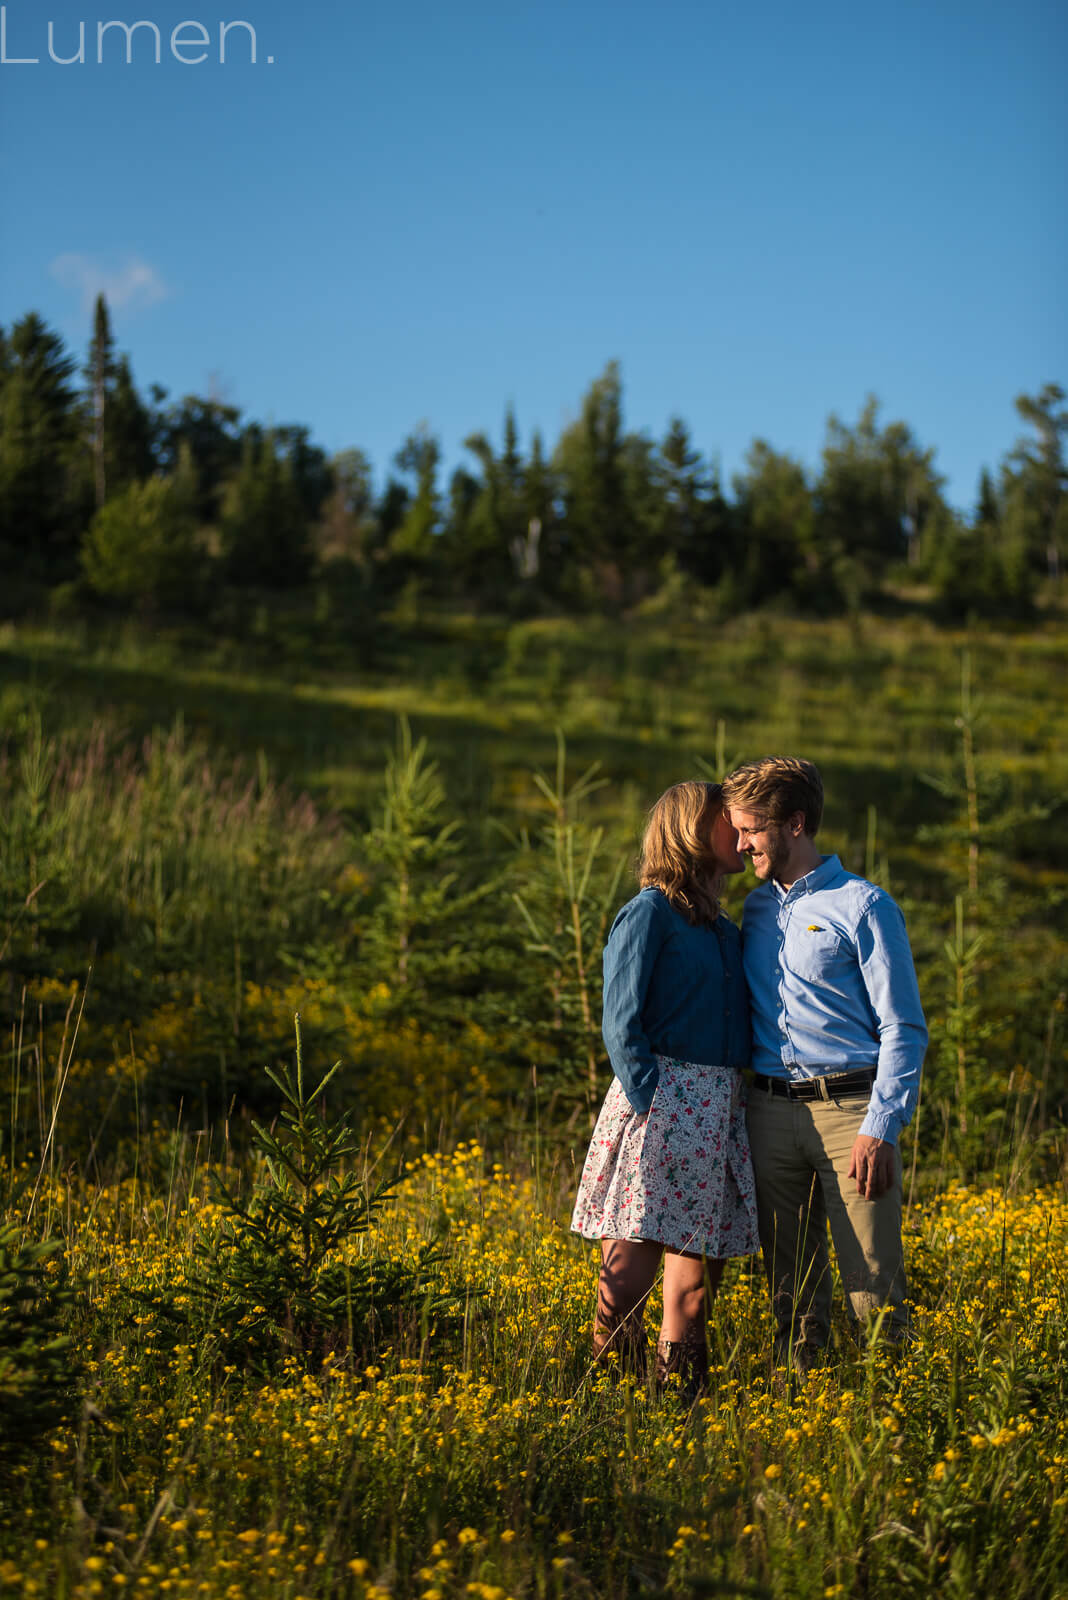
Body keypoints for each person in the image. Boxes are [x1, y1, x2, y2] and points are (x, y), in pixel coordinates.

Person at [720, 757, 927, 1373]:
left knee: (873, 1288)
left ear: (795, 824)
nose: (740, 844)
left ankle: (899, 1413)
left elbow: (904, 1027)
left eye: (751, 830)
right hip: (768, 1113)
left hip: (851, 1118)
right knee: (788, 1287)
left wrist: (881, 1127)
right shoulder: (754, 912)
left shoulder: (864, 906)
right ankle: (802, 1407)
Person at [571, 780, 759, 1394]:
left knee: (694, 1285)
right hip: (664, 1109)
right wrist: (659, 1105)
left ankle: (677, 1409)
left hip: (718, 1112)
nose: (739, 833)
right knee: (628, 1276)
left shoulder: (725, 930)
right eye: (724, 821)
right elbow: (620, 1022)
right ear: (689, 831)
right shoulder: (649, 913)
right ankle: (603, 1400)